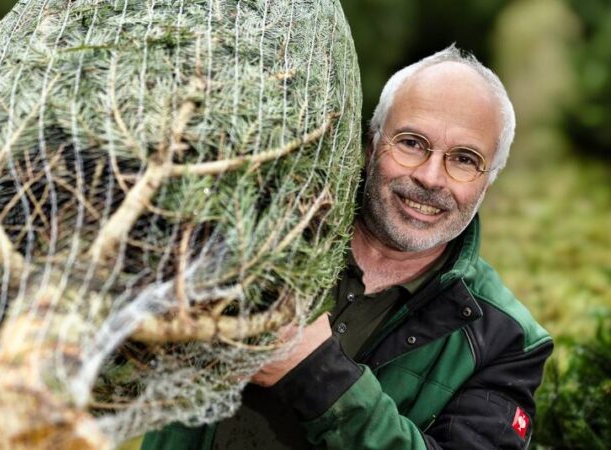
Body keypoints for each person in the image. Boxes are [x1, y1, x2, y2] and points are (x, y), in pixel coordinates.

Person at [141, 46, 553, 450]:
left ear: (489, 179)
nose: (431, 177)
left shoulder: (507, 340)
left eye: (464, 159)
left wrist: (318, 374)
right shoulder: (266, 229)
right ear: (372, 143)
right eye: (411, 143)